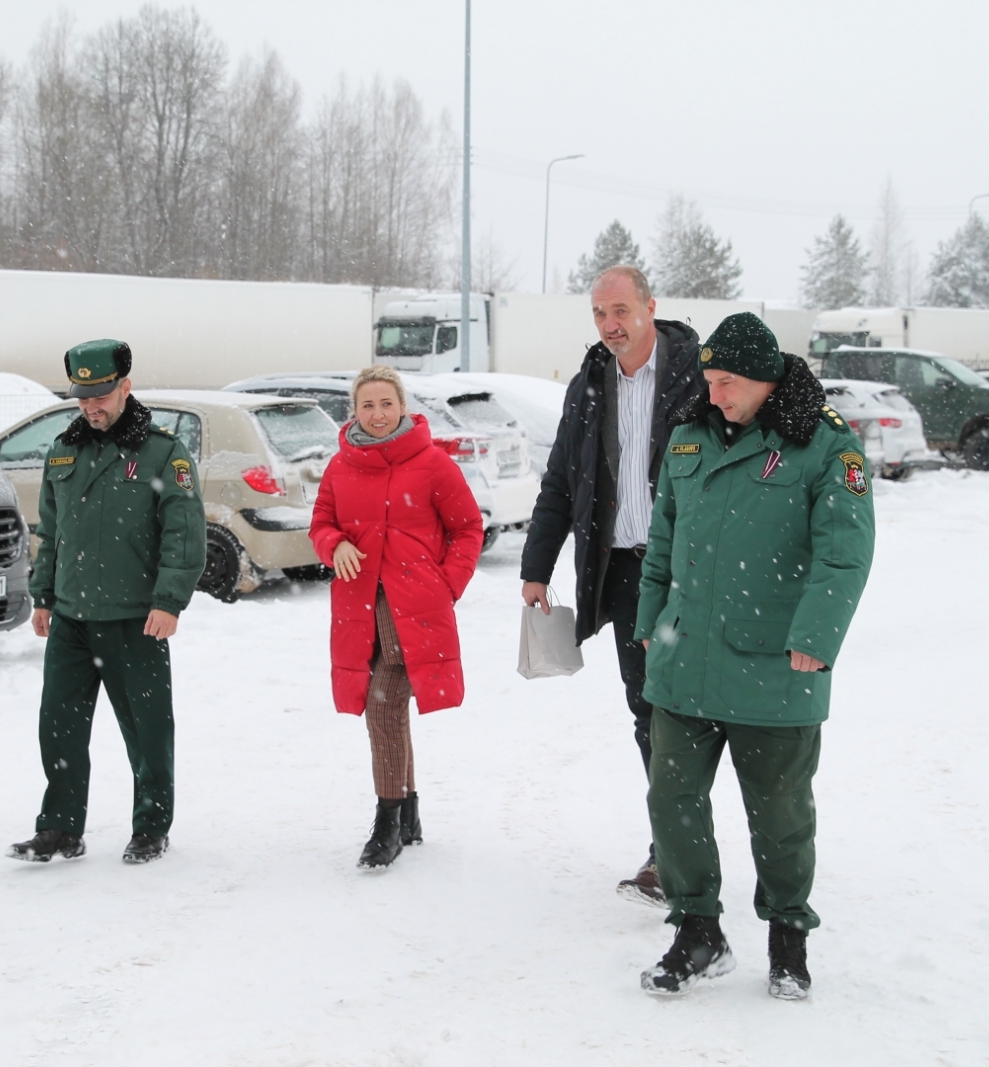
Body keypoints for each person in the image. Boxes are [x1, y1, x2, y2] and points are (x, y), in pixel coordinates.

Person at [634, 313, 874, 999]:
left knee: (780, 813)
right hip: (683, 660)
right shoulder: (688, 437)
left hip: (776, 666)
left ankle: (788, 937)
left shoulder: (826, 446)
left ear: (767, 377)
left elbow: (844, 551)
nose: (715, 394)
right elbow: (662, 543)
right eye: (708, 380)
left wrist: (815, 636)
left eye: (728, 381)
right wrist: (651, 621)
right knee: (672, 799)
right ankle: (697, 929)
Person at [518, 265, 703, 907]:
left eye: (621, 310)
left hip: (690, 574)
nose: (610, 326)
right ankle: (672, 848)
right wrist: (537, 566)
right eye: (599, 314)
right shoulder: (590, 383)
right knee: (648, 710)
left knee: (688, 712)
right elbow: (561, 480)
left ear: (652, 307)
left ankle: (687, 846)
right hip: (624, 574)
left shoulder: (696, 377)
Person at [9, 339, 205, 865]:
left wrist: (169, 601)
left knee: (147, 733)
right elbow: (53, 532)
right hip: (72, 620)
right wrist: (44, 594)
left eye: (101, 395)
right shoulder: (63, 449)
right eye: (82, 397)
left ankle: (150, 826)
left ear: (126, 386)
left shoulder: (162, 452)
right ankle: (59, 829)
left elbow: (183, 535)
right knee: (60, 728)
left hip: (136, 621)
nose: (91, 406)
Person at [309, 366, 484, 869]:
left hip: (415, 609)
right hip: (362, 608)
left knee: (383, 703)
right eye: (368, 405)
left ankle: (389, 818)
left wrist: (446, 585)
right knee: (389, 704)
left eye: (387, 404)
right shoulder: (341, 467)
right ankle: (406, 810)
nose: (378, 414)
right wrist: (333, 543)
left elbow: (468, 529)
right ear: (354, 411)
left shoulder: (431, 464)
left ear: (403, 407)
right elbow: (321, 521)